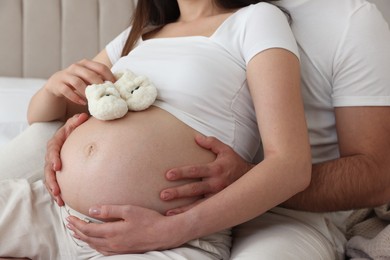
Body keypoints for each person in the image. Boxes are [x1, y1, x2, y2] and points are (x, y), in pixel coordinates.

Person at [44, 0, 390, 259]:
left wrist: (248, 177)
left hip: (289, 211)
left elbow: (378, 177)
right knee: (38, 135)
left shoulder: (348, 18)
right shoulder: (169, 25)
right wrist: (73, 134)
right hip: (152, 195)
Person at [0, 0, 311, 259]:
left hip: (168, 240)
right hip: (56, 213)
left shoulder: (255, 19)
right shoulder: (136, 36)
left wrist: (171, 230)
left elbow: (291, 165)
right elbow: (41, 116)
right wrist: (54, 88)